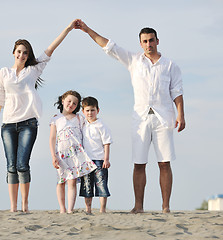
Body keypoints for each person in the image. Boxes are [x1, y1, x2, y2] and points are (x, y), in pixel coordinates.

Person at [76, 20, 185, 213]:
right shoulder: (134, 60)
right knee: (139, 163)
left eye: (151, 40)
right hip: (140, 119)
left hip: (164, 118)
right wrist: (86, 30)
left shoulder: (170, 66)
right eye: (144, 41)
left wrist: (181, 115)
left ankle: (166, 206)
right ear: (140, 43)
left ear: (157, 41)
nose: (148, 44)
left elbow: (176, 91)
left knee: (164, 163)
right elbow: (109, 46)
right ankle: (138, 206)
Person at [0, 20, 78, 213]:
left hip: (28, 123)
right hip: (7, 125)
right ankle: (13, 207)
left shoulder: (33, 70)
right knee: (11, 166)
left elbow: (50, 49)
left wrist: (67, 29)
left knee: (23, 164)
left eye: (25, 52)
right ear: (13, 52)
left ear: (28, 55)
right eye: (19, 51)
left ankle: (25, 205)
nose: (22, 55)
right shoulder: (3, 73)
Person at [49, 90, 97, 214]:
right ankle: (62, 208)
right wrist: (53, 156)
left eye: (75, 103)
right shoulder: (56, 118)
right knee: (61, 181)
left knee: (72, 181)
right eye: (69, 101)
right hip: (61, 155)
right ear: (63, 101)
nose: (71, 105)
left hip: (76, 154)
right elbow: (52, 138)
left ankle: (70, 209)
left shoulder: (79, 118)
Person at [79, 96, 112, 213]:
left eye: (92, 110)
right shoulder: (83, 124)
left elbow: (106, 143)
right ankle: (88, 209)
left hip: (99, 160)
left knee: (101, 185)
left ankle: (102, 209)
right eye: (87, 110)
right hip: (86, 161)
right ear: (83, 111)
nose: (90, 113)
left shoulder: (101, 125)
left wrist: (106, 159)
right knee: (87, 185)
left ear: (98, 110)